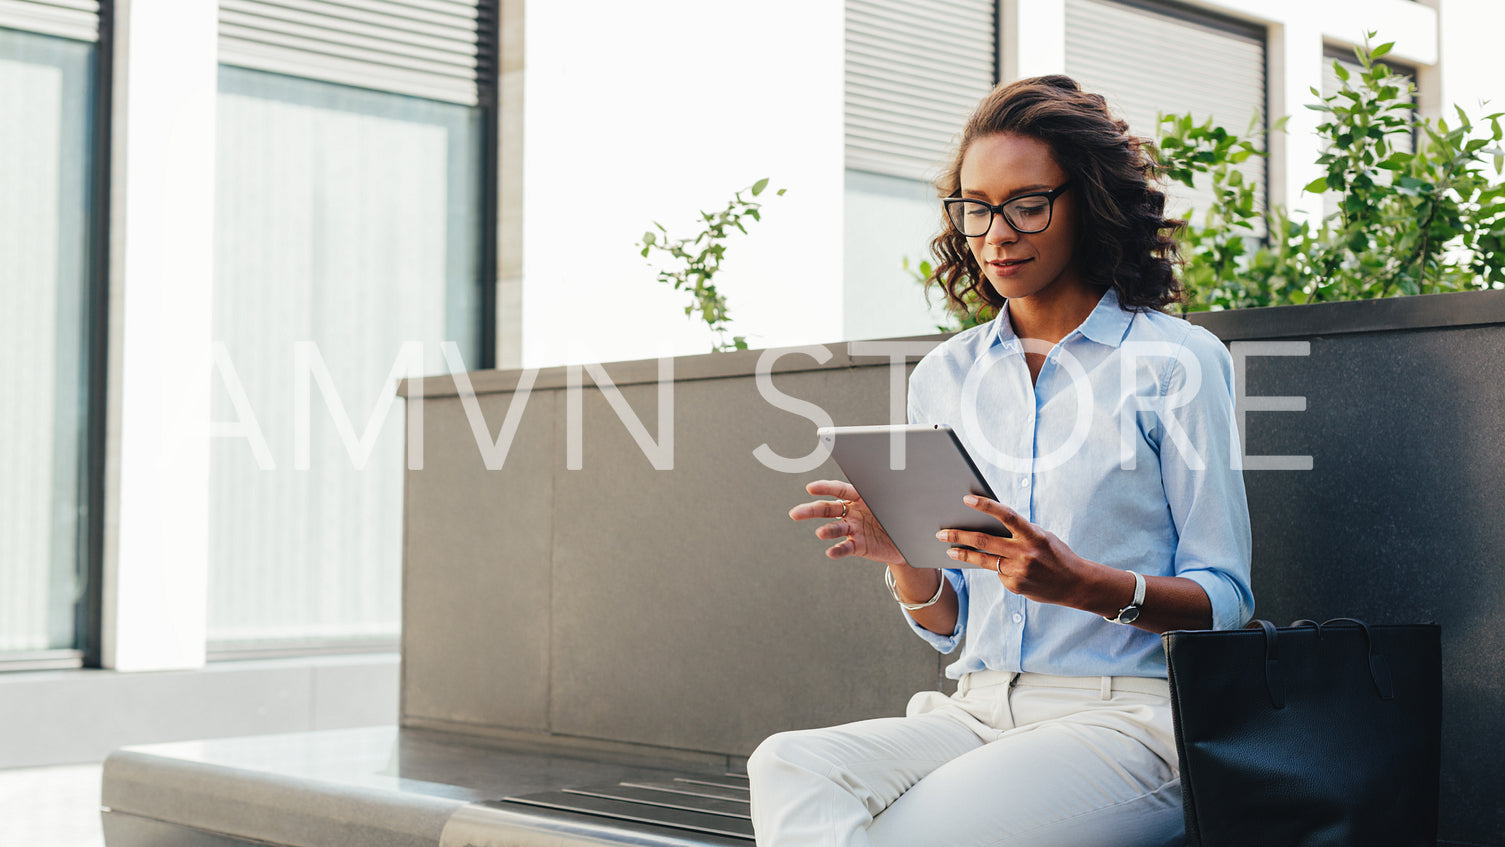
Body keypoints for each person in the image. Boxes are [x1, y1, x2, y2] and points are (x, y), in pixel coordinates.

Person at [745, 75, 1254, 847]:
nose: (995, 233)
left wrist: (1084, 585)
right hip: (974, 709)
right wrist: (903, 560)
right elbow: (951, 623)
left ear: (1085, 203)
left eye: (1026, 204)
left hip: (1127, 721)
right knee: (789, 765)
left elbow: (1226, 596)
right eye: (974, 207)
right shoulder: (944, 377)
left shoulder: (1176, 362)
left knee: (905, 834)